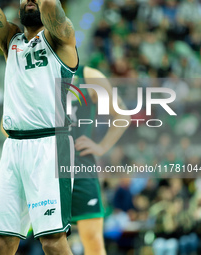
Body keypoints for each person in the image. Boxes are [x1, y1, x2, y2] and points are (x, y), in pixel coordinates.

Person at [0, 0, 78, 254]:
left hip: (50, 145)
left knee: (52, 241)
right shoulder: (11, 39)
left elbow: (51, 6)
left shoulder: (61, 38)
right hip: (14, 147)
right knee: (2, 240)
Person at [71, 65, 130, 255]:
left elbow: (122, 114)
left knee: (93, 241)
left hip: (80, 168)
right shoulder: (34, 70)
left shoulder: (88, 76)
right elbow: (7, 125)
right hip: (45, 167)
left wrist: (102, 147)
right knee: (50, 241)